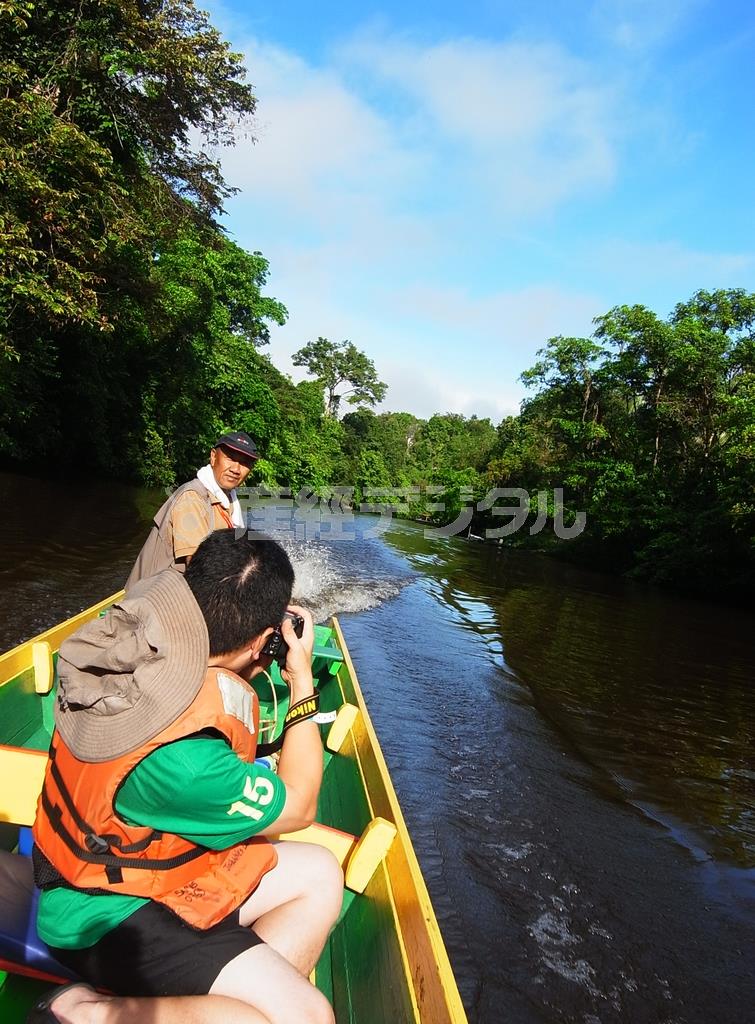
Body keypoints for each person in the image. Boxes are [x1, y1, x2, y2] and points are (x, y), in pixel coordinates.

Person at [30, 529, 342, 1024]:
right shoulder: (190, 760)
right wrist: (301, 678)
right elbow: (299, 805)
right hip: (103, 914)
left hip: (126, 869)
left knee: (321, 873)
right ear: (265, 640)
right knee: (307, 1017)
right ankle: (86, 1011)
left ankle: (227, 998)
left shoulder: (126, 651)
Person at [126, 432, 260, 588]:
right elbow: (200, 569)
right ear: (213, 457)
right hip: (151, 599)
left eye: (244, 463)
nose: (236, 469)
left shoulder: (228, 501)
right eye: (230, 458)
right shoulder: (192, 498)